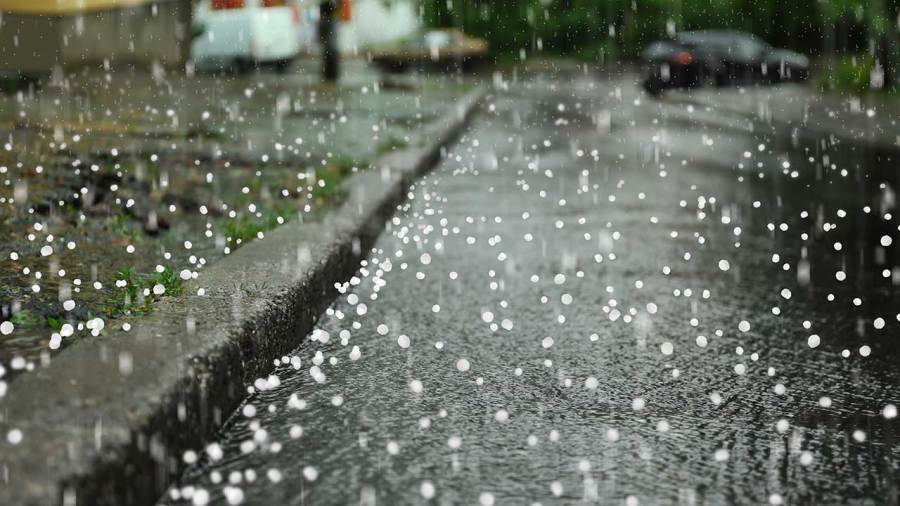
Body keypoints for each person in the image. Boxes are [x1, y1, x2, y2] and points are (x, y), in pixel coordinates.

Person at [318, 0, 339, 82]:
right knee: (331, 65)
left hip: (328, 47)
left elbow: (321, 35)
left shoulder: (324, 22)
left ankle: (329, 78)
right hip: (333, 47)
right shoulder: (333, 21)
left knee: (328, 64)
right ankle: (332, 78)